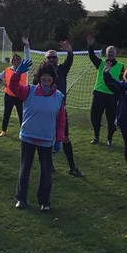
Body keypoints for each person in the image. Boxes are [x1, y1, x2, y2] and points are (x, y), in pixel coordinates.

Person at [10, 59, 66, 212]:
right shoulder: (29, 90)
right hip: (28, 137)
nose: (46, 78)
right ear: (39, 77)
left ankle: (44, 201)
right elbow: (13, 87)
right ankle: (21, 198)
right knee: (25, 169)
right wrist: (18, 73)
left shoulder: (59, 96)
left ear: (53, 78)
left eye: (49, 76)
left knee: (46, 172)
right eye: (43, 75)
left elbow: (61, 120)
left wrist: (59, 139)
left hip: (46, 139)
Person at [39, 41, 84, 177]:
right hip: (46, 112)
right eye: (49, 57)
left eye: (54, 57)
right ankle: (49, 165)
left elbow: (69, 61)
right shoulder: (40, 74)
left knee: (65, 138)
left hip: (60, 111)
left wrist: (70, 51)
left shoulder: (62, 70)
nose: (52, 59)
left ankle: (72, 167)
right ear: (45, 59)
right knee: (47, 138)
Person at [86, 36, 122, 146]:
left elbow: (122, 81)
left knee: (111, 119)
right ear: (106, 54)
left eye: (112, 52)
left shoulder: (121, 66)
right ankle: (96, 137)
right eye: (109, 52)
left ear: (115, 53)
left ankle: (109, 138)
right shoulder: (101, 63)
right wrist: (91, 46)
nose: (110, 54)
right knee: (95, 117)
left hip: (112, 96)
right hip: (99, 94)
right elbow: (92, 56)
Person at [0, 36, 31, 136]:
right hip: (9, 95)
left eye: (18, 59)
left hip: (20, 95)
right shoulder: (7, 70)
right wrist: (4, 84)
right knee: (7, 113)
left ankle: (23, 131)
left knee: (21, 114)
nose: (16, 61)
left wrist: (27, 45)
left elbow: (27, 57)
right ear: (12, 61)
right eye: (14, 59)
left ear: (20, 61)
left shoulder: (24, 70)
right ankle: (3, 130)